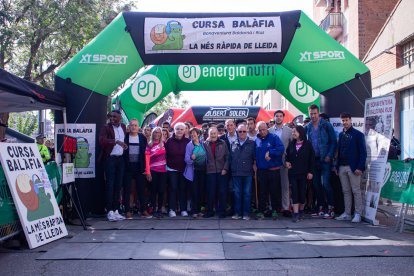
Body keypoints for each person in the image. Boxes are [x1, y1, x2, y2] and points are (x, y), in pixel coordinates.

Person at [305, 104, 337, 218]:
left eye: (315, 113)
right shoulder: (307, 127)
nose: (313, 116)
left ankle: (331, 207)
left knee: (326, 184)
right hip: (314, 160)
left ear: (318, 113)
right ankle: (321, 207)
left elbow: (333, 141)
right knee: (316, 184)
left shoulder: (326, 125)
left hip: (325, 159)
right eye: (311, 114)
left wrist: (330, 155)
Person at [335, 112, 367, 223]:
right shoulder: (340, 134)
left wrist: (360, 167)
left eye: (346, 120)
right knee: (346, 191)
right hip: (342, 167)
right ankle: (347, 213)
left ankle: (358, 213)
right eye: (343, 120)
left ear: (350, 120)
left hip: (353, 168)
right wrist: (337, 166)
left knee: (356, 191)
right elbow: (339, 152)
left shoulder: (358, 135)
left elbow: (363, 153)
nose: (345, 122)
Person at [99, 110, 128, 221]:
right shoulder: (106, 127)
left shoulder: (123, 127)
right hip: (110, 159)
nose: (112, 118)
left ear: (120, 118)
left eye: (115, 116)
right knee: (110, 185)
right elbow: (101, 141)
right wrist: (116, 141)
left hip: (120, 159)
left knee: (118, 185)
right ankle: (109, 211)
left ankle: (116, 210)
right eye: (110, 116)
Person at [255, 121, 285, 219]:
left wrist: (270, 152)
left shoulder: (274, 137)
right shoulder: (256, 139)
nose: (262, 131)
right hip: (261, 170)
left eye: (264, 129)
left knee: (274, 191)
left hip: (273, 169)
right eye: (260, 130)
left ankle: (275, 210)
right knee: (262, 191)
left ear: (267, 128)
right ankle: (261, 211)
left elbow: (281, 149)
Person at [285, 125, 315, 222]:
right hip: (293, 173)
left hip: (304, 173)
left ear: (300, 133)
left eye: (295, 132)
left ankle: (301, 210)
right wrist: (287, 162)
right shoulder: (291, 144)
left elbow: (311, 159)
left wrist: (311, 171)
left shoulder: (308, 144)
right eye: (292, 131)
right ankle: (296, 213)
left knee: (302, 193)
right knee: (295, 193)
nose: (293, 133)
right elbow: (287, 156)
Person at [123, 119, 150, 219]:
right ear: (129, 127)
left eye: (135, 125)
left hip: (139, 167)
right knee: (127, 190)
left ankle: (143, 210)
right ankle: (127, 211)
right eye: (131, 125)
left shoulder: (142, 137)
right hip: (128, 167)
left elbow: (146, 153)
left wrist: (145, 169)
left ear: (138, 127)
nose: (133, 127)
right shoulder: (125, 137)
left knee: (141, 190)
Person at [269, 110, 293, 217]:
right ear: (274, 118)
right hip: (272, 161)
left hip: (284, 161)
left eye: (280, 116)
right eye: (276, 116)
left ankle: (285, 207)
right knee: (272, 185)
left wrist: (289, 159)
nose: (278, 118)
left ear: (283, 118)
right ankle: (272, 207)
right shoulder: (269, 131)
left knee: (285, 185)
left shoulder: (289, 130)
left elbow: (292, 147)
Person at [230, 124, 256, 220]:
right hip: (236, 173)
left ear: (247, 132)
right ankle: (237, 213)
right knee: (237, 193)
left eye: (244, 131)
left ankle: (246, 213)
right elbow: (230, 158)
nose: (242, 133)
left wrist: (255, 164)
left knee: (247, 193)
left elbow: (255, 157)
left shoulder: (252, 143)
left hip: (247, 173)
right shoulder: (233, 143)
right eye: (240, 131)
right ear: (237, 132)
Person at [165, 122, 190, 217]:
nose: (179, 131)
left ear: (184, 131)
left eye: (181, 129)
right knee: (173, 188)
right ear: (174, 130)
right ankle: (172, 209)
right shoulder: (169, 141)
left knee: (182, 189)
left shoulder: (188, 141)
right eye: (177, 129)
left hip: (184, 169)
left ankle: (183, 209)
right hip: (172, 169)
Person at [203, 127, 229, 218]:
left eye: (214, 133)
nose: (213, 135)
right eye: (211, 133)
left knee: (222, 192)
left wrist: (225, 169)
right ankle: (209, 211)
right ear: (208, 134)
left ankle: (222, 212)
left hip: (222, 171)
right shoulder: (204, 144)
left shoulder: (223, 143)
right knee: (210, 192)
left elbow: (227, 157)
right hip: (210, 172)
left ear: (217, 134)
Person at [184, 127, 207, 218]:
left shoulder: (203, 144)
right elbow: (186, 159)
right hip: (194, 171)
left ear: (198, 134)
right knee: (194, 192)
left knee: (201, 191)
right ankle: (194, 211)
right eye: (191, 133)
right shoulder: (189, 145)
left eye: (194, 133)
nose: (193, 135)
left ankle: (199, 210)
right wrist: (191, 159)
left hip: (203, 171)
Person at [145, 127, 167, 218]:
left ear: (161, 134)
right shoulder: (149, 145)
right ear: (152, 133)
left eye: (159, 132)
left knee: (161, 191)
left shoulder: (164, 144)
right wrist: (148, 172)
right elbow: (147, 159)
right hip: (153, 170)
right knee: (153, 191)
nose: (157, 134)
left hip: (163, 171)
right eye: (155, 132)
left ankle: (159, 210)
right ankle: (154, 209)